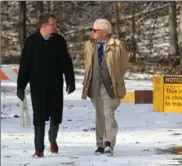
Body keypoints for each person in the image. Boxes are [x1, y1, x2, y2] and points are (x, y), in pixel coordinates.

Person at [16, 13, 75, 157]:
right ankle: (39, 148)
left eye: (55, 23)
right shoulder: (31, 41)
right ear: (44, 26)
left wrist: (70, 80)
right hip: (37, 86)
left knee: (55, 115)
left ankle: (52, 139)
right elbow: (25, 65)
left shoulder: (59, 41)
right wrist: (20, 86)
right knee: (39, 116)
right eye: (53, 24)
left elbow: (66, 62)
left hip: (55, 84)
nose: (56, 26)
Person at [81, 18, 129, 155]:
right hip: (94, 85)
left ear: (105, 32)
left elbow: (124, 65)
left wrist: (116, 77)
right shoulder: (89, 45)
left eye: (95, 30)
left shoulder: (117, 45)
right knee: (99, 115)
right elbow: (87, 63)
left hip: (111, 86)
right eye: (92, 29)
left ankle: (109, 143)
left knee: (108, 114)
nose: (92, 32)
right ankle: (100, 144)